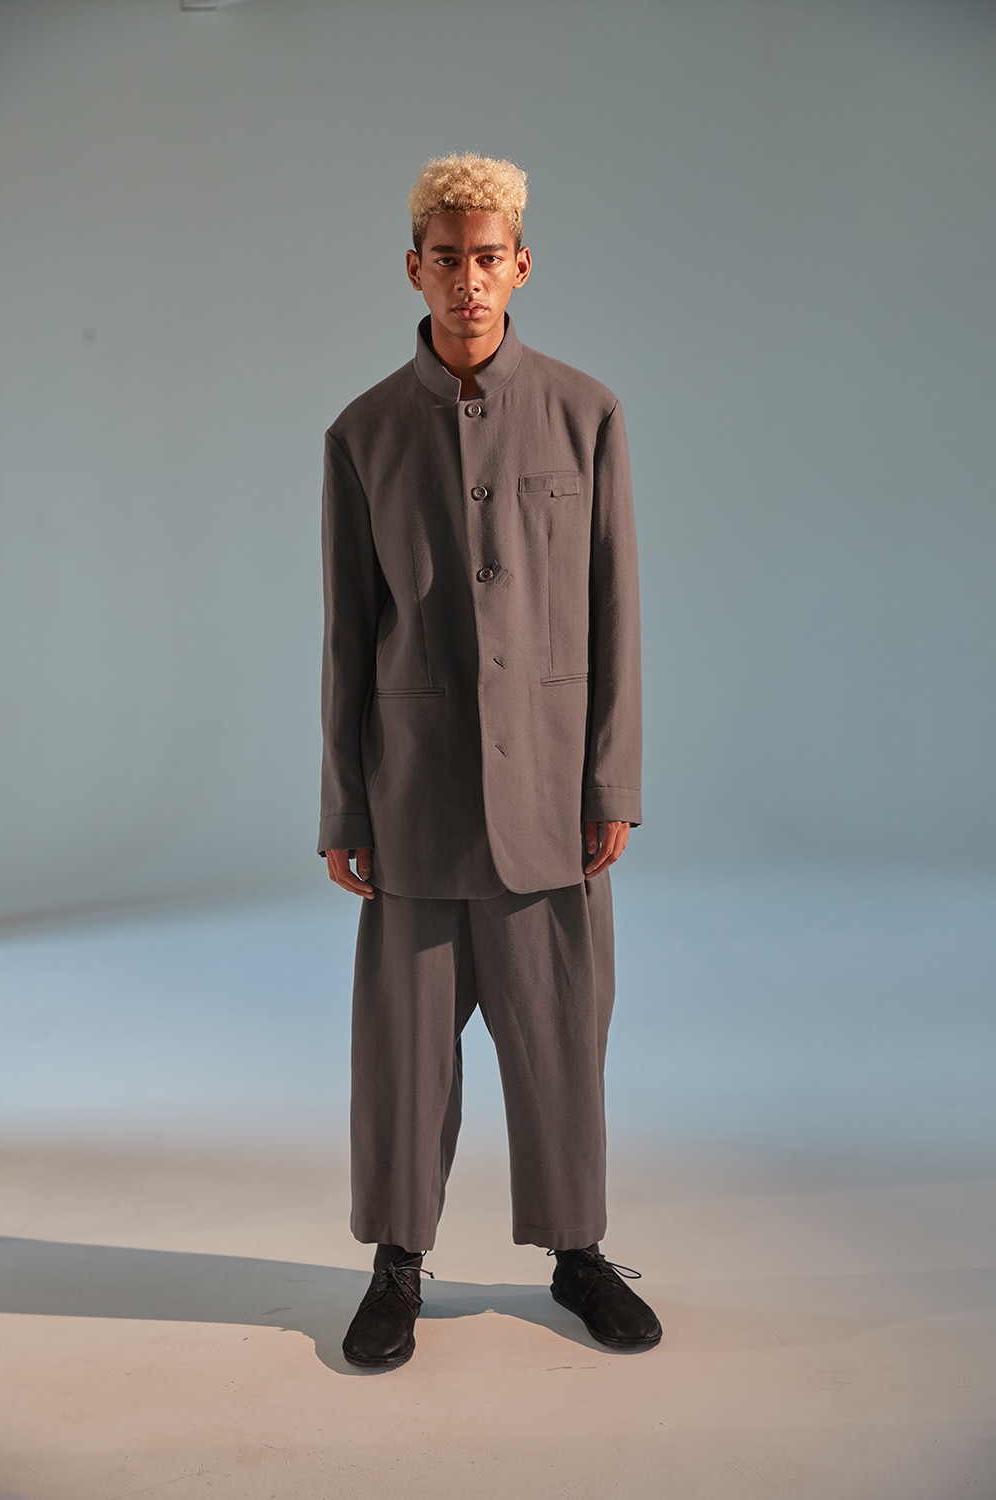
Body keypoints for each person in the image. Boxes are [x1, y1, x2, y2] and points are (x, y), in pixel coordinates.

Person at [318, 151, 661, 1369]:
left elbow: (615, 612)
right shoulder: (362, 433)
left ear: (522, 264)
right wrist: (344, 806)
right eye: (447, 259)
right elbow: (347, 634)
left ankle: (577, 1254)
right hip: (412, 797)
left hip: (549, 796)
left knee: (561, 1035)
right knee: (403, 1055)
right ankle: (395, 1264)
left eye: (488, 258)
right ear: (413, 267)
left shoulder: (585, 414)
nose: (468, 280)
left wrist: (609, 780)